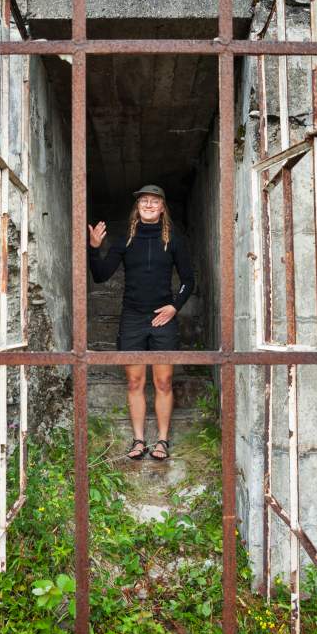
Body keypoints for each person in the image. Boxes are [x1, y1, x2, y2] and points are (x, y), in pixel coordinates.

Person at [88, 185, 195, 461]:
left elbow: (188, 280)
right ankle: (138, 440)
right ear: (137, 207)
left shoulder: (173, 241)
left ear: (162, 208)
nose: (148, 205)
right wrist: (94, 249)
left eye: (154, 201)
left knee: (164, 381)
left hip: (162, 319)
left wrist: (174, 307)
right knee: (135, 381)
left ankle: (162, 441)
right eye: (144, 201)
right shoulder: (126, 240)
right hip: (133, 318)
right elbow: (100, 275)